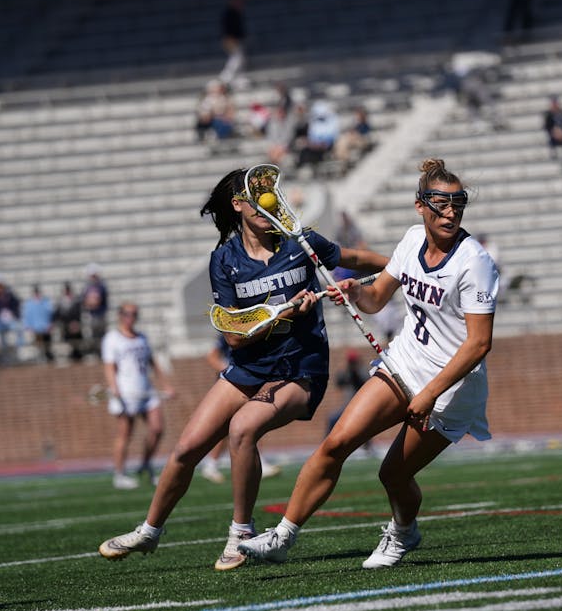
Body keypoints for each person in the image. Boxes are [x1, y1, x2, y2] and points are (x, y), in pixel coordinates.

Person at [98, 166, 388, 570]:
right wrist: (284, 310)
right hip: (249, 366)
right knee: (186, 449)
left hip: (299, 369)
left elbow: (354, 258)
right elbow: (234, 337)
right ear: (237, 205)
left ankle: (241, 532)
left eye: (270, 194)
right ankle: (150, 531)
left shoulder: (299, 242)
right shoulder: (225, 260)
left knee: (243, 428)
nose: (266, 203)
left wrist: (400, 268)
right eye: (255, 196)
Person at [238, 158, 499, 569]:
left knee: (392, 475)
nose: (450, 212)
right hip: (404, 364)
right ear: (420, 206)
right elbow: (376, 297)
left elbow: (479, 344)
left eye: (458, 203)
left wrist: (431, 394)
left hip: (452, 388)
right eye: (441, 203)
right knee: (336, 443)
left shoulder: (474, 262)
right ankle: (282, 537)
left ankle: (403, 532)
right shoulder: (412, 240)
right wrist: (352, 293)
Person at [101, 302, 175, 489]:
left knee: (157, 429)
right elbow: (109, 366)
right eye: (127, 313)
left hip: (146, 391)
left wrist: (165, 385)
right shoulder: (112, 338)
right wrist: (114, 388)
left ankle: (145, 464)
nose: (131, 317)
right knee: (125, 434)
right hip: (126, 393)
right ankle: (119, 474)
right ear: (120, 315)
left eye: (134, 313)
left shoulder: (142, 337)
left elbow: (152, 363)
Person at [199, 335, 281, 484]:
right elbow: (212, 356)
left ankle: (257, 461)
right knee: (230, 426)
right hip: (234, 386)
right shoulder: (230, 333)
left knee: (250, 422)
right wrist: (233, 372)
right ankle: (211, 464)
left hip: (244, 383)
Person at [325, 350, 374, 457]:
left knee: (366, 422)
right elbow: (338, 382)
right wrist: (347, 371)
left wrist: (355, 371)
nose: (352, 364)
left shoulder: (362, 371)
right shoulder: (347, 372)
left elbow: (364, 380)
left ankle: (368, 446)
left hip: (361, 406)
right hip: (347, 407)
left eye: (353, 362)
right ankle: (326, 445)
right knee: (332, 419)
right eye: (350, 362)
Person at [0, 278, 23, 354]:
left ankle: (20, 347)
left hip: (10, 319)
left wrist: (12, 314)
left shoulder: (10, 296)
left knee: (19, 327)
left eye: (0, 287)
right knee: (0, 331)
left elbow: (16, 305)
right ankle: (4, 349)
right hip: (0, 321)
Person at [22, 284, 55, 363]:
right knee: (39, 345)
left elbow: (51, 313)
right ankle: (40, 358)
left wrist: (50, 324)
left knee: (47, 344)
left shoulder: (46, 302)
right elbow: (27, 316)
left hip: (45, 327)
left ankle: (48, 358)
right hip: (36, 328)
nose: (37, 294)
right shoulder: (29, 304)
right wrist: (29, 327)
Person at [81, 263, 109, 356]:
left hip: (100, 314)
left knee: (102, 334)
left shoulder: (101, 286)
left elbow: (98, 300)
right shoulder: (87, 287)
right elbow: (85, 300)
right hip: (92, 315)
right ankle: (96, 352)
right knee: (94, 334)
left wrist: (93, 302)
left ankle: (103, 352)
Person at [218, 0, 246, 85]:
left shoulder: (235, 13)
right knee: (236, 57)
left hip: (233, 38)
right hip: (230, 39)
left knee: (238, 58)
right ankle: (225, 76)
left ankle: (235, 78)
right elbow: (231, 28)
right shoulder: (230, 14)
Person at [54, 282, 84, 362]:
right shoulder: (61, 302)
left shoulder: (76, 300)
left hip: (75, 324)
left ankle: (77, 354)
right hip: (65, 325)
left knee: (77, 340)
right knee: (67, 341)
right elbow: (57, 314)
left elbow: (78, 312)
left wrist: (75, 322)